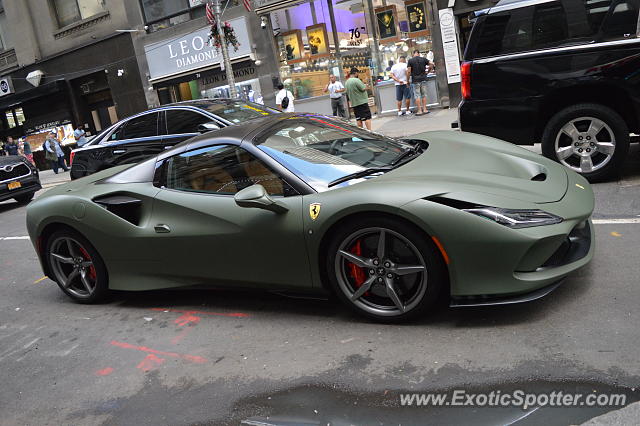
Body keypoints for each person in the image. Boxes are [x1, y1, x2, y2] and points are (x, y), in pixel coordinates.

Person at [407, 50, 433, 116]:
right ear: (419, 54)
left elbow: (409, 71)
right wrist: (428, 72)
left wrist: (407, 80)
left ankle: (419, 111)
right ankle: (425, 109)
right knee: (423, 94)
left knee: (417, 95)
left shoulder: (410, 61)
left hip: (415, 80)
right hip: (423, 79)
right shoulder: (423, 59)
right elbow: (432, 64)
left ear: (413, 54)